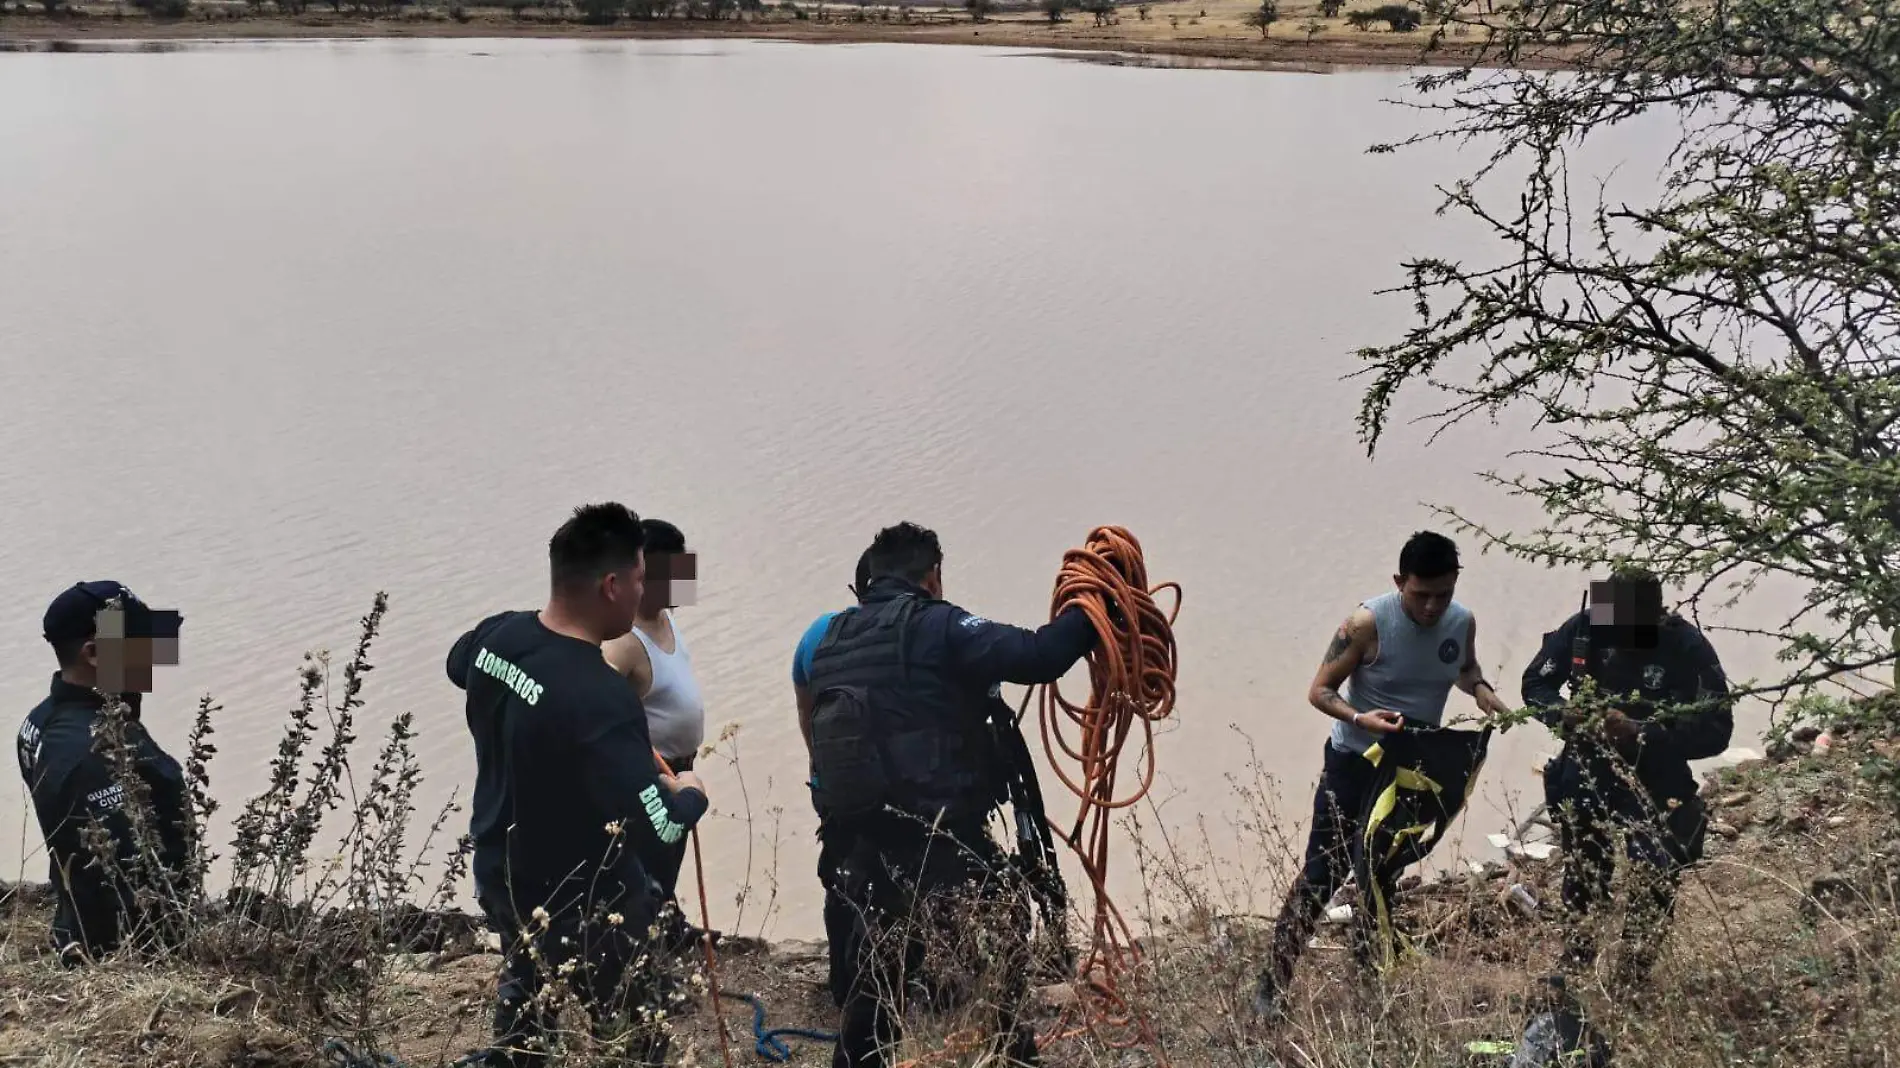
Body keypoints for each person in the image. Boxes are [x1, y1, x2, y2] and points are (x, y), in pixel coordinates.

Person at [809, 521, 1099, 1068]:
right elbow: (1040, 655)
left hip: (865, 834)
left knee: (887, 959)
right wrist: (1097, 605)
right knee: (1007, 926)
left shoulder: (833, 638)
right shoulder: (938, 626)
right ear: (933, 575)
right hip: (936, 832)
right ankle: (1012, 1054)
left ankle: (864, 1060)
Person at [446, 503, 711, 1068]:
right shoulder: (601, 698)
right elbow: (658, 824)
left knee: (527, 1002)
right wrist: (690, 794)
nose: (647, 592)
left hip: (500, 868)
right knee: (636, 1037)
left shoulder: (498, 637)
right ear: (613, 586)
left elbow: (456, 663)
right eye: (642, 579)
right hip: (582, 897)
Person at [1251, 531, 1514, 1020]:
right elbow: (1320, 690)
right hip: (1354, 761)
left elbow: (1465, 667)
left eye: (1444, 593)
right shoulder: (1367, 623)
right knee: (1322, 874)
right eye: (1421, 594)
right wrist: (1360, 718)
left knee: (1381, 874)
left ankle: (1371, 982)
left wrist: (1480, 689)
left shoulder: (1462, 621)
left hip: (1412, 770)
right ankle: (1273, 981)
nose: (1434, 606)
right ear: (1399, 582)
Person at [1521, 566, 1733, 987]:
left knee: (1654, 875)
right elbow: (1535, 684)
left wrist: (1642, 733)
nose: (1616, 638)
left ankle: (1633, 976)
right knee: (1584, 870)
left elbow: (1717, 732)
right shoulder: (1585, 627)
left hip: (1657, 776)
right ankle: (1576, 964)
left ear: (1655, 615)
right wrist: (1563, 715)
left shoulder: (1686, 647)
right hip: (1586, 769)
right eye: (1611, 625)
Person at [16, 580, 189, 965]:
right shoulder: (98, 755)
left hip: (73, 923)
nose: (156, 654)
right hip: (126, 953)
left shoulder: (39, 721)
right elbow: (126, 879)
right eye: (140, 642)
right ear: (94, 653)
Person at [602, 518, 706, 934]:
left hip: (682, 765)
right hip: (652, 775)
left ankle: (667, 921)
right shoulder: (623, 642)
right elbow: (598, 712)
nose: (683, 581)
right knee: (647, 859)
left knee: (670, 856)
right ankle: (643, 938)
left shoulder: (667, 619)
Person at [791, 545, 876, 1008]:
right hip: (891, 788)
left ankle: (843, 982)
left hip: (833, 783)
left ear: (854, 591)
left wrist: (822, 773)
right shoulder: (909, 631)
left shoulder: (816, 635)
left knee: (841, 879)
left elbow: (806, 715)